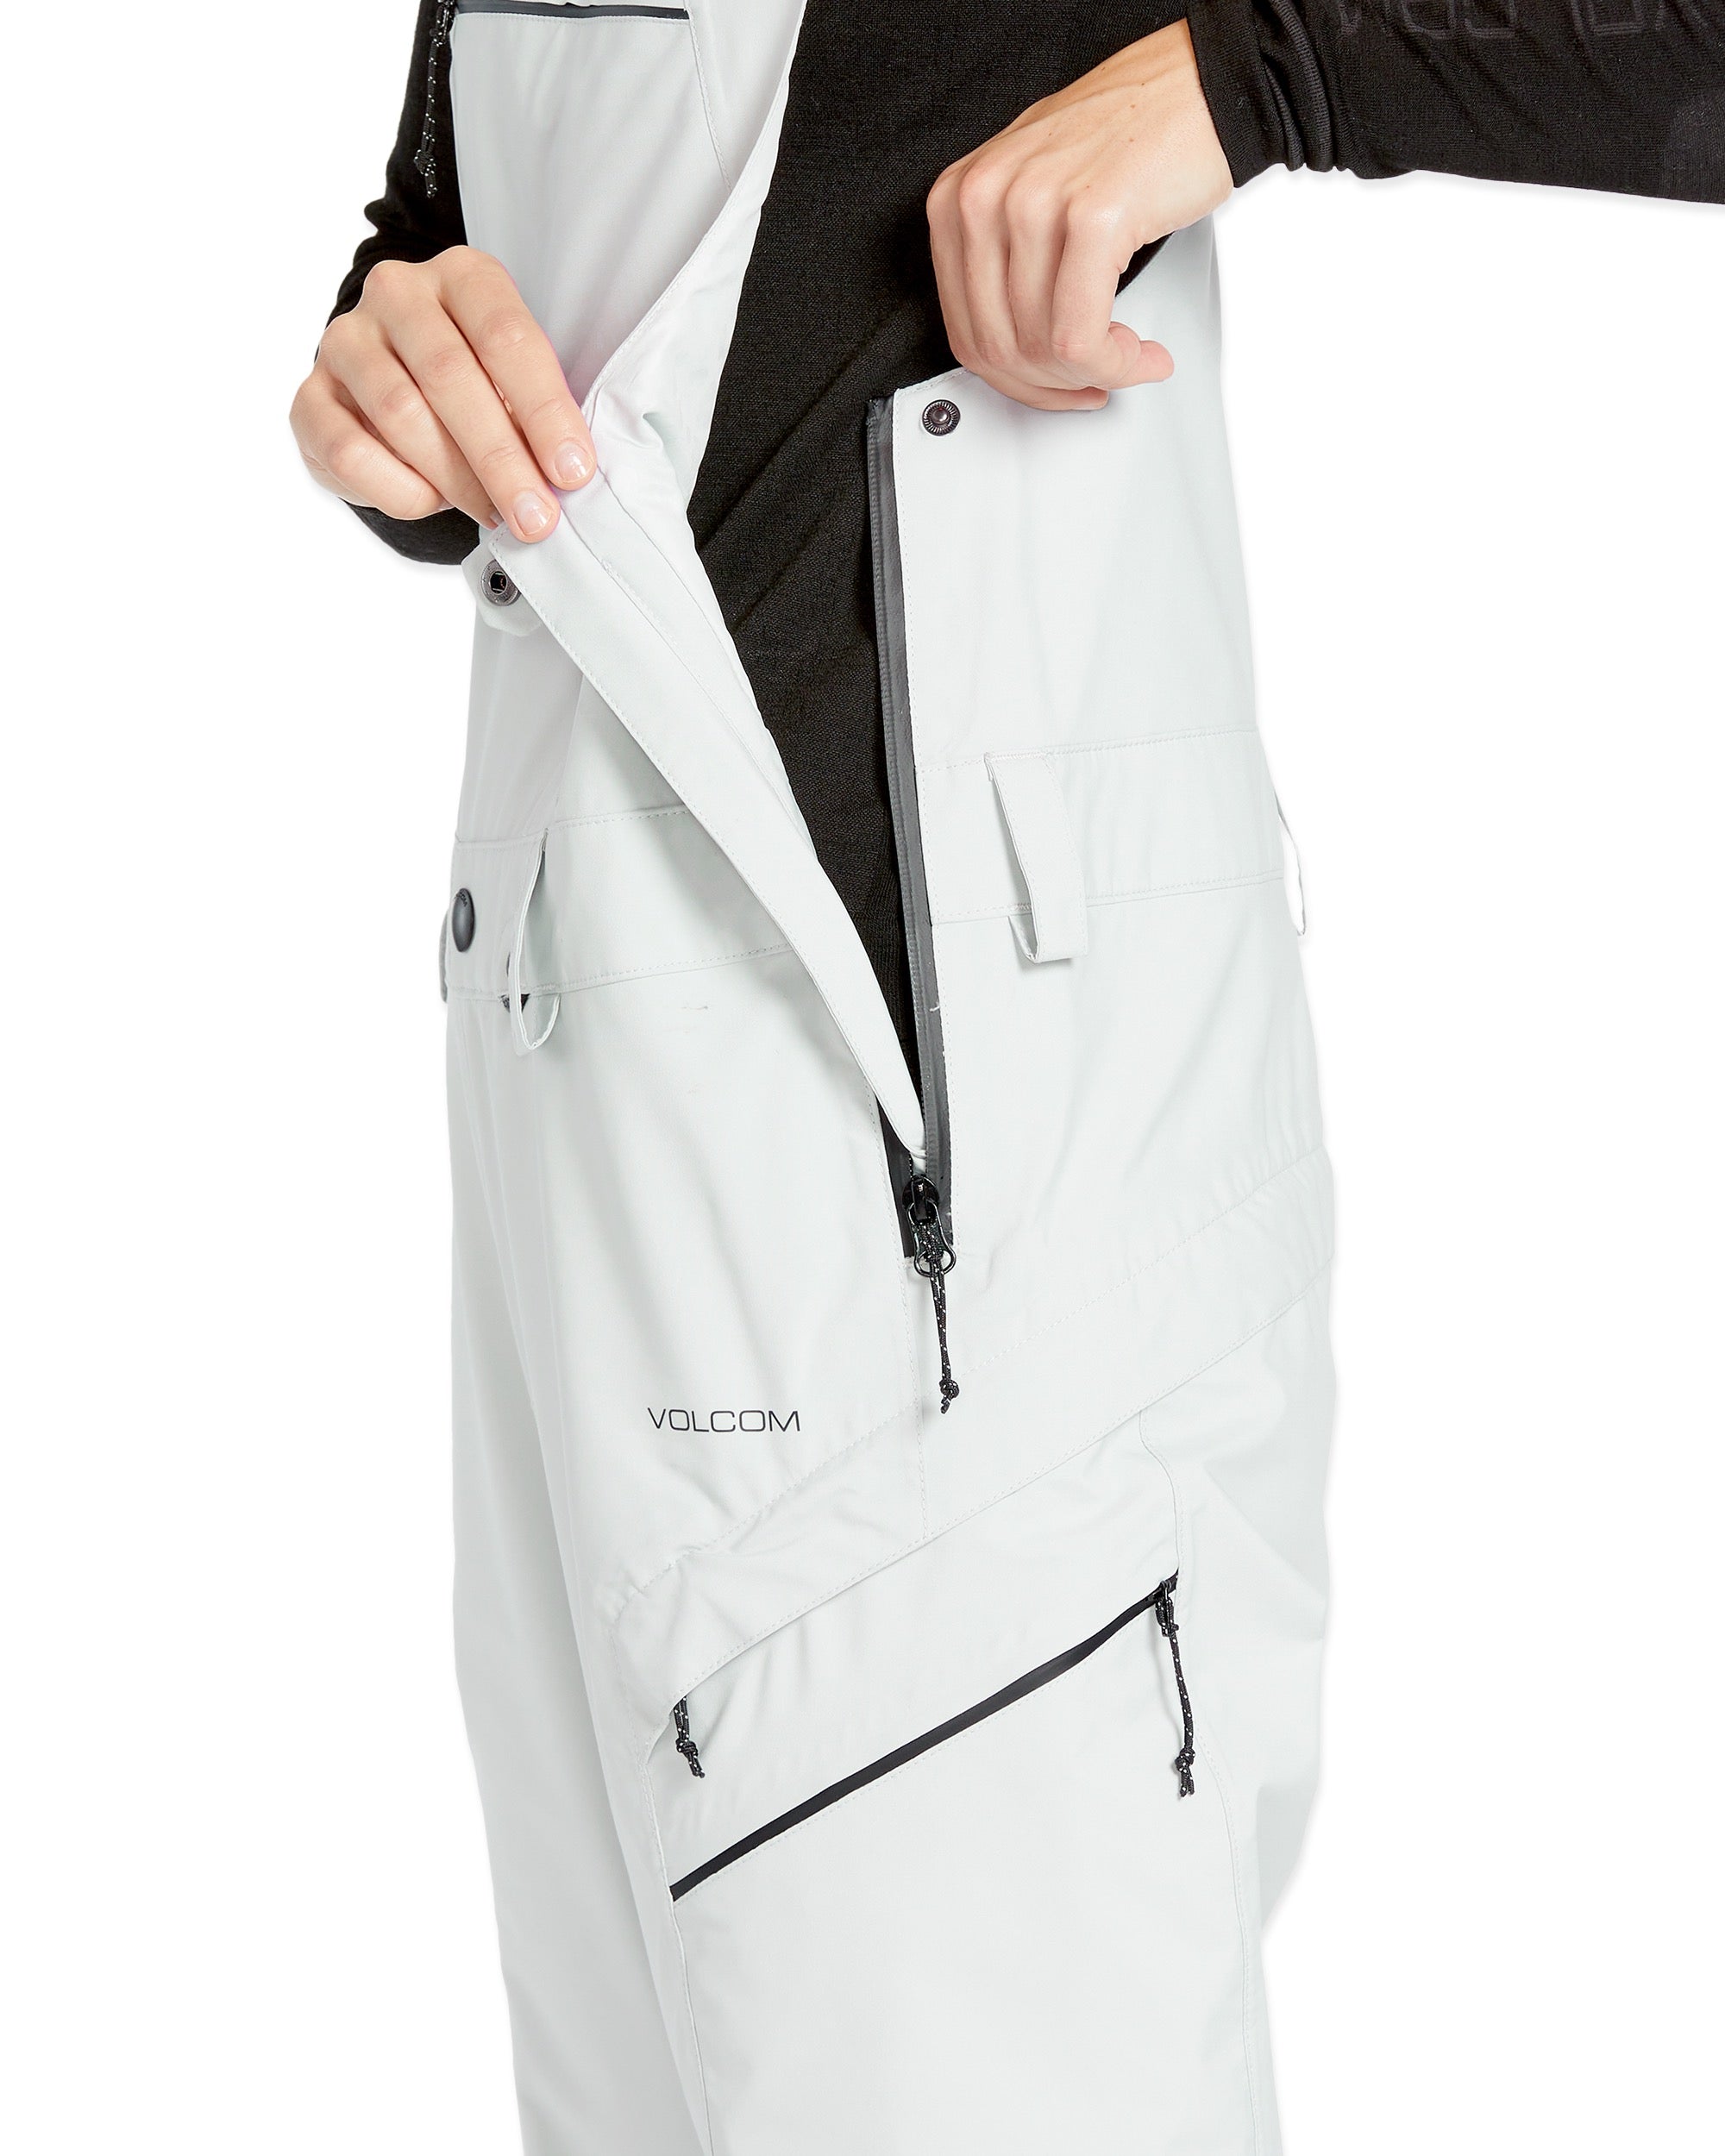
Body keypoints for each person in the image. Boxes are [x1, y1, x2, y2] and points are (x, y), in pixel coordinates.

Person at [291, 8, 1722, 2152]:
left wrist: (1264, 68)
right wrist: (399, 347)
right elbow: (463, 199)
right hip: (567, 1074)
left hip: (933, 1154)